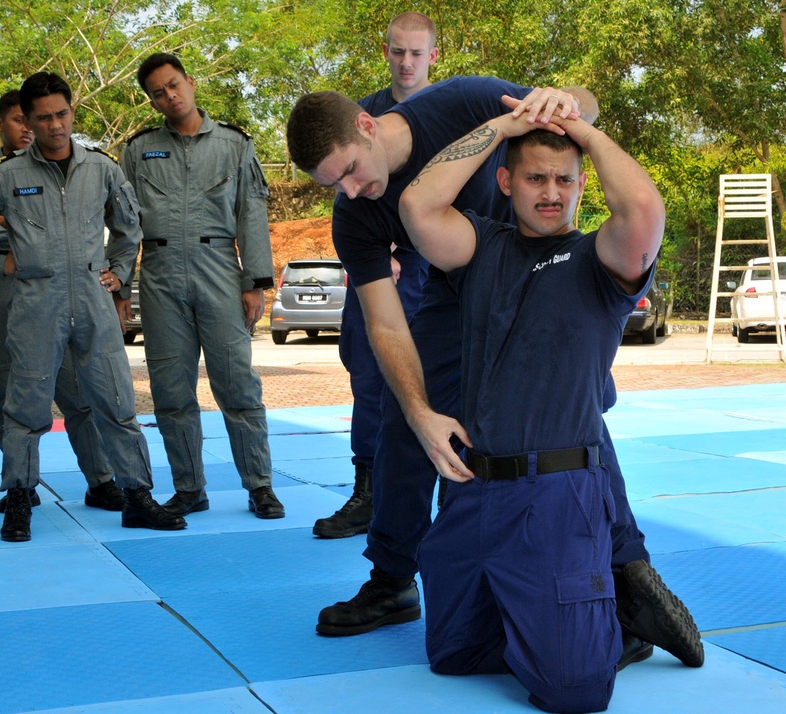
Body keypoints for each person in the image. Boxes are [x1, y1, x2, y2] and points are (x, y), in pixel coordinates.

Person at [285, 84, 704, 670]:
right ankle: (391, 581)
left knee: (568, 412)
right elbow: (385, 323)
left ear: (367, 125)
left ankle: (626, 570)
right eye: (334, 185)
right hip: (463, 271)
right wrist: (420, 410)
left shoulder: (461, 103)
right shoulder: (356, 212)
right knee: (404, 423)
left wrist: (563, 105)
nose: (349, 190)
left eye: (349, 171)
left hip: (538, 268)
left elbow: (579, 107)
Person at [399, 110, 664, 712]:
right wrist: (507, 122)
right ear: (506, 183)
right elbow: (418, 205)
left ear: (580, 186)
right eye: (536, 179)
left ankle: (615, 621)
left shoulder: (599, 261)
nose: (551, 193)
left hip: (557, 497)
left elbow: (644, 211)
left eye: (565, 181)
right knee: (453, 658)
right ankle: (563, 617)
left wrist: (587, 134)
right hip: (472, 492)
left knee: (574, 691)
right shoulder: (481, 247)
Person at [0, 72, 184, 541]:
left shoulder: (101, 168)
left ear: (72, 113)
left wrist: (118, 273)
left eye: (62, 114)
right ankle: (19, 499)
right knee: (25, 408)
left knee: (116, 401)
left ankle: (136, 496)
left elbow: (129, 225)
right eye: (43, 118)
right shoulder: (7, 175)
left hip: (93, 300)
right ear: (29, 123)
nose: (55, 125)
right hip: (37, 303)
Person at [122, 53, 283, 519]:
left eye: (174, 85)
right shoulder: (138, 151)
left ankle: (260, 486)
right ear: (151, 101)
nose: (169, 96)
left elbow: (251, 214)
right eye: (158, 92)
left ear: (191, 83)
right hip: (159, 272)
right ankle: (189, 488)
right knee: (171, 391)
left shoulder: (235, 145)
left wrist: (255, 282)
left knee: (238, 386)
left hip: (219, 268)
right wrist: (117, 283)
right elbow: (123, 223)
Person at [0, 90, 125, 516]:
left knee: (80, 390)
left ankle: (101, 479)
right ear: (3, 125)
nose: (32, 129)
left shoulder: (83, 169)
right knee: (9, 392)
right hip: (6, 288)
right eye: (21, 121)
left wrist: (118, 278)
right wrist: (1, 256)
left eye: (56, 116)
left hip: (66, 290)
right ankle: (19, 483)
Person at [314, 11, 434, 539]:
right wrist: (368, 249)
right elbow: (346, 199)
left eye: (416, 53)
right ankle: (367, 489)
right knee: (368, 369)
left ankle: (452, 495)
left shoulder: (454, 110)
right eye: (397, 52)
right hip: (379, 277)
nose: (406, 63)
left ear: (434, 56)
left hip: (438, 274)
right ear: (385, 52)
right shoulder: (359, 118)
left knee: (443, 380)